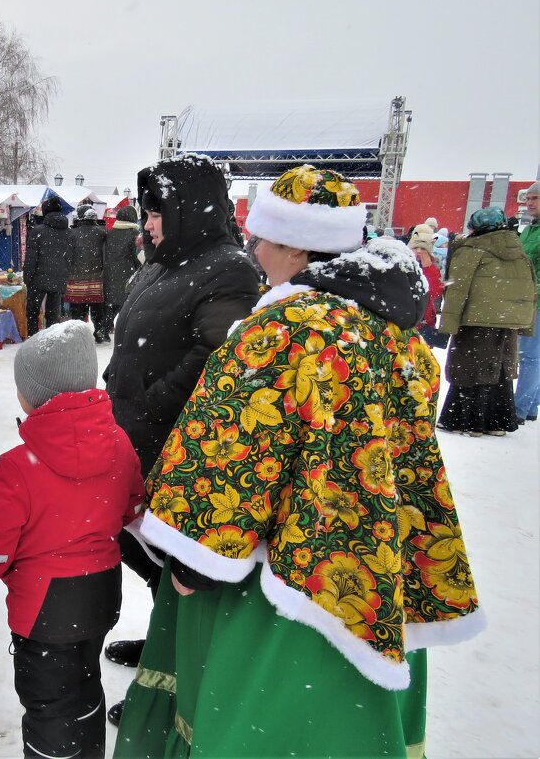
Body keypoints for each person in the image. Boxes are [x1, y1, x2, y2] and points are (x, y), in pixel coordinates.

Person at [114, 165, 486, 758]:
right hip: (368, 572)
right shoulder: (396, 335)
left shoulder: (282, 328)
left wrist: (193, 563)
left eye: (263, 236)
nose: (254, 248)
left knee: (252, 725)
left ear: (294, 243)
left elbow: (233, 453)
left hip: (281, 579)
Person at [101, 155, 261, 724]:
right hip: (136, 436)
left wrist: (149, 400)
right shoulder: (162, 263)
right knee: (149, 560)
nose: (145, 223)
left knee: (181, 568)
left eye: (155, 212)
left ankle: (175, 684)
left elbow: (217, 358)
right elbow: (136, 342)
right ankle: (162, 648)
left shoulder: (228, 270)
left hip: (176, 446)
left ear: (187, 211)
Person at [0, 320, 144, 759]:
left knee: (48, 707)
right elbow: (131, 510)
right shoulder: (119, 442)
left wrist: (15, 568)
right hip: (101, 594)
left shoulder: (19, 465)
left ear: (33, 397)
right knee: (85, 687)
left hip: (43, 610)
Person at [436, 206, 536, 436]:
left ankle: (465, 420)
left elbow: (457, 290)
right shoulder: (518, 251)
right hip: (507, 323)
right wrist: (523, 322)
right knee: (499, 371)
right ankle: (497, 421)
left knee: (469, 368)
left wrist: (448, 324)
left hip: (476, 321)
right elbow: (529, 289)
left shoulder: (472, 250)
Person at [23, 195, 72, 337]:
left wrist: (28, 279)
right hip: (58, 280)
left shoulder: (37, 231)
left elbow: (31, 259)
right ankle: (51, 342)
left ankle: (33, 340)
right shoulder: (69, 233)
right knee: (52, 315)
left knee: (32, 313)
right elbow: (71, 258)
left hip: (37, 280)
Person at [515, 180, 540, 424]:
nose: (529, 203)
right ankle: (530, 405)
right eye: (528, 198)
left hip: (536, 302)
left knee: (530, 357)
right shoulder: (531, 229)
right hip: (529, 300)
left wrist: (531, 289)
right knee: (532, 356)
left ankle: (520, 408)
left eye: (535, 199)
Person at [66, 204, 108, 341]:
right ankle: (99, 332)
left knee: (77, 308)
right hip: (96, 277)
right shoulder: (102, 232)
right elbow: (105, 254)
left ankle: (78, 335)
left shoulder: (72, 233)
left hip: (76, 277)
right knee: (97, 307)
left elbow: (67, 256)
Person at [101, 204, 141, 337]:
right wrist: (139, 268)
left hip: (109, 271)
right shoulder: (134, 234)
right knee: (125, 303)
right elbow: (135, 255)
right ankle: (122, 331)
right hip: (126, 271)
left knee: (112, 303)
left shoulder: (110, 233)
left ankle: (104, 328)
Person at [408, 229, 447, 348]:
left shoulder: (432, 269)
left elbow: (436, 292)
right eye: (416, 248)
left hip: (425, 324)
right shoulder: (404, 266)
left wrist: (428, 267)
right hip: (406, 323)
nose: (419, 252)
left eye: (423, 249)